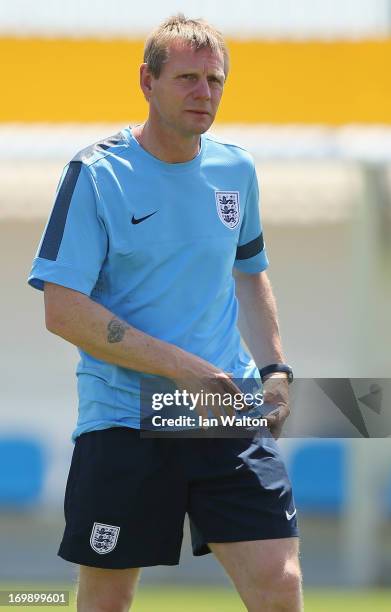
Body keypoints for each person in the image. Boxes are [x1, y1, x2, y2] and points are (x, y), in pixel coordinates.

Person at [28, 13, 302, 612]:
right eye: (187, 78)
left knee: (279, 585)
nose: (204, 93)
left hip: (224, 414)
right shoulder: (96, 174)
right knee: (106, 601)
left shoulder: (238, 169)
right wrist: (182, 369)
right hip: (127, 418)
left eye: (214, 80)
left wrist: (276, 369)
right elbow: (62, 310)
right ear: (146, 82)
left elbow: (250, 274)